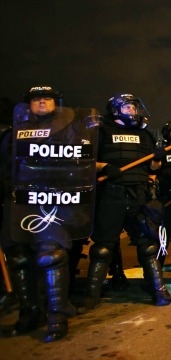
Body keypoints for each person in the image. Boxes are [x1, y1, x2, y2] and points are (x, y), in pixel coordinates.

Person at [0, 86, 97, 342]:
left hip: (54, 201)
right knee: (19, 258)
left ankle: (57, 315)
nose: (41, 102)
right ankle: (29, 313)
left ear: (57, 103)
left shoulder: (71, 130)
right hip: (19, 202)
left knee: (50, 256)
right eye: (36, 99)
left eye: (47, 98)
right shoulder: (14, 133)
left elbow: (82, 164)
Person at [78, 93, 171, 313]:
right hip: (112, 194)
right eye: (129, 107)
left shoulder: (145, 135)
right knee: (102, 248)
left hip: (139, 195)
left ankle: (158, 289)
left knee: (148, 246)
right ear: (116, 110)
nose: (134, 112)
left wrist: (157, 158)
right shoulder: (101, 132)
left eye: (135, 108)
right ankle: (91, 295)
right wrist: (103, 167)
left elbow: (154, 170)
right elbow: (84, 160)